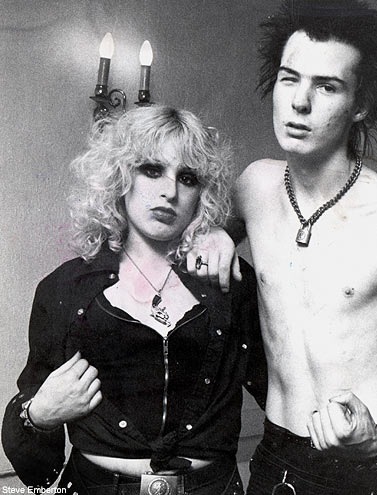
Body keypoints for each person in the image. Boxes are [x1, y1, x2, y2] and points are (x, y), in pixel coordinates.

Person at [186, 1, 377, 493]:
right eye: (289, 79)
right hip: (275, 455)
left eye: (327, 86)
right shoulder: (253, 186)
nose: (299, 102)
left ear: (361, 104)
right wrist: (215, 233)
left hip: (372, 464)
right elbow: (192, 238)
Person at [1, 106, 267, 495]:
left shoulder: (232, 283)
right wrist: (38, 414)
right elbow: (36, 469)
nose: (169, 192)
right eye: (152, 170)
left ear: (202, 194)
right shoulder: (65, 289)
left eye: (187, 178)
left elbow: (280, 396)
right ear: (120, 176)